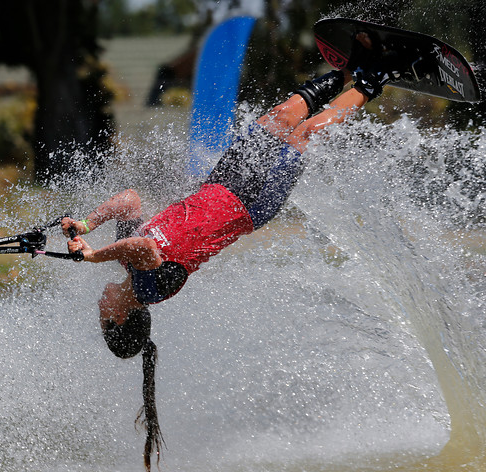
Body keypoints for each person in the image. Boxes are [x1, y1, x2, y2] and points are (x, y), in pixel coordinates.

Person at [61, 37, 396, 471]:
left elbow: (129, 200)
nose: (99, 307)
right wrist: (91, 255)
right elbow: (142, 245)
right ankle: (373, 83)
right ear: (120, 317)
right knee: (304, 131)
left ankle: (344, 75)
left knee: (276, 118)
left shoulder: (126, 265)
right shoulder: (150, 286)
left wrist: (88, 223)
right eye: (102, 316)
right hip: (251, 204)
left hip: (221, 185)